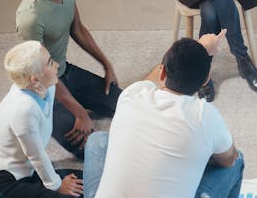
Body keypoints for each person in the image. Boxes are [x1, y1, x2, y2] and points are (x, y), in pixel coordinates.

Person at [82, 30, 245, 198]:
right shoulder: (204, 116)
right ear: (205, 81)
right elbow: (228, 160)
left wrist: (201, 47)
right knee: (237, 160)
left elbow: (152, 78)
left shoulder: (132, 94)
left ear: (162, 71)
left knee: (97, 140)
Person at [16, 0, 122, 159]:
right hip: (43, 90)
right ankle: (46, 117)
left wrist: (106, 64)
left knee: (125, 103)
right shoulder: (30, 18)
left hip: (64, 72)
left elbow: (78, 29)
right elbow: (43, 73)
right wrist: (79, 112)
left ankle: (75, 102)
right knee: (92, 147)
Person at [0, 41, 84, 198]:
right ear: (35, 80)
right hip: (1, 184)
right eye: (49, 63)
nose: (57, 65)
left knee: (82, 182)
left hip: (26, 172)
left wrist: (81, 116)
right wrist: (57, 185)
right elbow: (36, 154)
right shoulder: (23, 109)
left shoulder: (47, 86)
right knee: (69, 193)